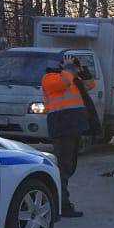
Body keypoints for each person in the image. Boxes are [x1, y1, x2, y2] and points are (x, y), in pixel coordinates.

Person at [40, 56, 96, 218]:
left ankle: (61, 203)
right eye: (70, 65)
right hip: (61, 127)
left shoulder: (73, 78)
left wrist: (82, 70)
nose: (74, 68)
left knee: (69, 166)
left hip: (73, 127)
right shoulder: (50, 78)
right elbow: (63, 82)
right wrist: (70, 69)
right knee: (63, 167)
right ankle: (62, 205)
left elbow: (91, 84)